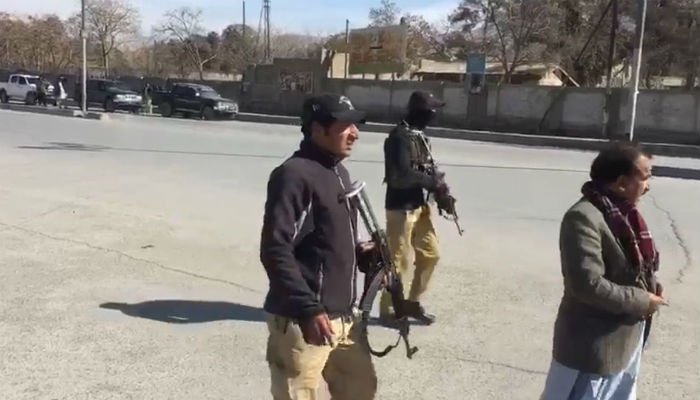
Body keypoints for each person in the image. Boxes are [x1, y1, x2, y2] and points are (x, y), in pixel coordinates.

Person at [259, 93, 378, 400]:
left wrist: (363, 254)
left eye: (355, 125)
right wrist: (308, 308)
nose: (355, 133)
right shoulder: (294, 175)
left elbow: (324, 241)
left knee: (360, 390)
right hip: (304, 321)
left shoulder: (338, 171)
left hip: (344, 320)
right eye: (345, 125)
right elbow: (275, 249)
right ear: (317, 129)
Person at [541, 141, 667, 400]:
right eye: (645, 177)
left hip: (625, 341)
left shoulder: (624, 213)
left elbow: (634, 265)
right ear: (621, 182)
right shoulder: (583, 217)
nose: (648, 186)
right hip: (592, 350)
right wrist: (643, 300)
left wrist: (652, 287)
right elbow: (588, 285)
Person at [380, 90, 449, 325]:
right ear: (421, 111)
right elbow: (400, 173)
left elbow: (424, 168)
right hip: (401, 206)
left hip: (420, 205)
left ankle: (412, 303)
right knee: (398, 261)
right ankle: (390, 309)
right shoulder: (398, 137)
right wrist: (431, 182)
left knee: (431, 254)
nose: (434, 114)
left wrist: (441, 190)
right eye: (431, 110)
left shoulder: (419, 136)